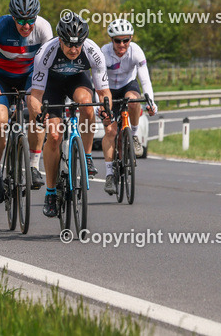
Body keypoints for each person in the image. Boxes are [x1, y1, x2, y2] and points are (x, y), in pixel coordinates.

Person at [27, 13, 111, 218]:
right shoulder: (46, 52)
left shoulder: (93, 51)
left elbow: (103, 91)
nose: (74, 50)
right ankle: (51, 192)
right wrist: (39, 115)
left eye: (77, 45)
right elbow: (35, 96)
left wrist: (106, 108)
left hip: (77, 81)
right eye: (69, 45)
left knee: (87, 103)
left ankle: (87, 156)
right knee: (54, 136)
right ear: (60, 40)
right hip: (51, 86)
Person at [0, 0, 54, 190]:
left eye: (30, 20)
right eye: (21, 20)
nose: (26, 26)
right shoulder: (1, 26)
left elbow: (48, 65)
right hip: (0, 78)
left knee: (36, 112)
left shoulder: (44, 28)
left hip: (29, 76)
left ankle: (34, 165)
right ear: (13, 17)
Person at [100, 18, 157, 194]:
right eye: (118, 40)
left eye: (126, 40)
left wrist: (151, 102)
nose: (122, 44)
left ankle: (133, 135)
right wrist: (100, 106)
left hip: (127, 85)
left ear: (131, 39)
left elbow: (145, 80)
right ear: (112, 40)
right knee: (110, 131)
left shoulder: (136, 52)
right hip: (107, 89)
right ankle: (109, 175)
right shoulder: (103, 53)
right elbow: (96, 80)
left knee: (133, 100)